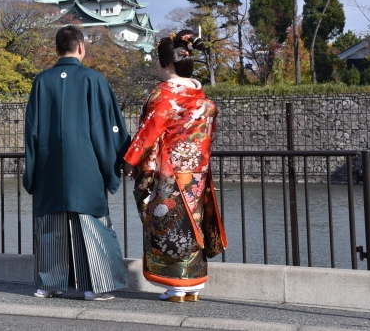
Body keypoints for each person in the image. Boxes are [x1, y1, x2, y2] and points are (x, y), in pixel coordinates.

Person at [24, 25, 131, 301]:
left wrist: (32, 170)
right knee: (91, 223)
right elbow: (107, 127)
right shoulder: (92, 79)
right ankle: (94, 287)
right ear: (81, 47)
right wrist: (116, 162)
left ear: (57, 49)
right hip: (86, 164)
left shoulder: (42, 80)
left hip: (49, 165)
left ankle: (48, 284)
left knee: (50, 224)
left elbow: (32, 130)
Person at [122, 30, 227, 302]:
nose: (156, 65)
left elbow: (149, 130)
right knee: (194, 224)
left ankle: (177, 285)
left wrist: (131, 160)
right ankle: (193, 285)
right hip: (196, 172)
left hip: (169, 171)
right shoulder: (200, 96)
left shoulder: (165, 95)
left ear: (167, 63)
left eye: (158, 60)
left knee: (168, 224)